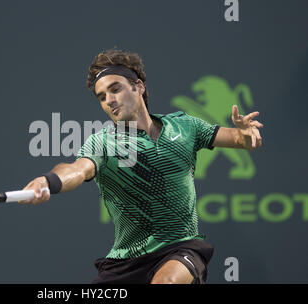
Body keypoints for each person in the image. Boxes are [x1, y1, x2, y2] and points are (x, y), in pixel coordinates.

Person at [20, 49, 263, 284]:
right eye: (102, 97)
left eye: (115, 89)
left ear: (139, 87)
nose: (109, 101)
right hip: (125, 262)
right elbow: (78, 169)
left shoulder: (185, 126)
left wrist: (245, 133)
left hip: (181, 248)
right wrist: (49, 181)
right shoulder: (102, 142)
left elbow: (240, 140)